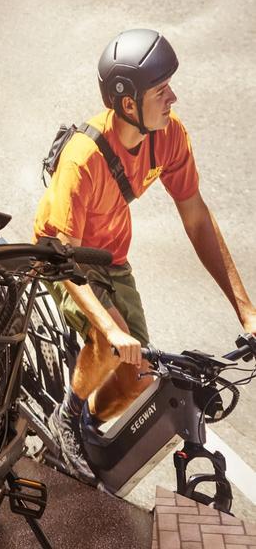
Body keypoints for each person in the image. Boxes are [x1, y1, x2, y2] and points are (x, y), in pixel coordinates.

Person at [35, 29, 256, 481]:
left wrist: (247, 311)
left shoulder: (168, 135)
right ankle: (65, 417)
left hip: (111, 255)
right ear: (129, 104)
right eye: (161, 91)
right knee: (111, 342)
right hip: (62, 255)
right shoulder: (82, 158)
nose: (173, 97)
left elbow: (196, 217)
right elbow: (63, 256)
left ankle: (85, 420)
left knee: (138, 377)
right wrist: (110, 329)